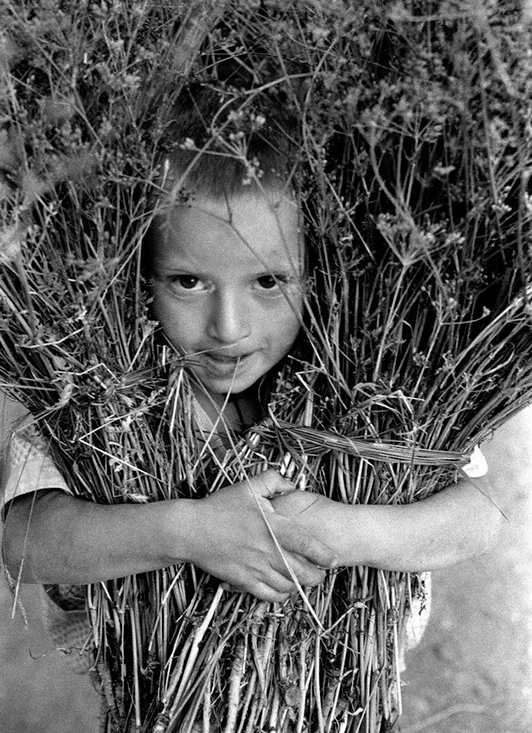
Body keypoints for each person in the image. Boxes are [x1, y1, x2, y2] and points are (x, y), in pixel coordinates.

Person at [1, 100, 500, 644]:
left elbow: (479, 516)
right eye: (188, 282)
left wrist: (347, 533)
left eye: (268, 282)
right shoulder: (101, 393)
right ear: (133, 275)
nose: (228, 329)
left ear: (324, 276)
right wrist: (191, 532)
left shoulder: (371, 382)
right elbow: (26, 542)